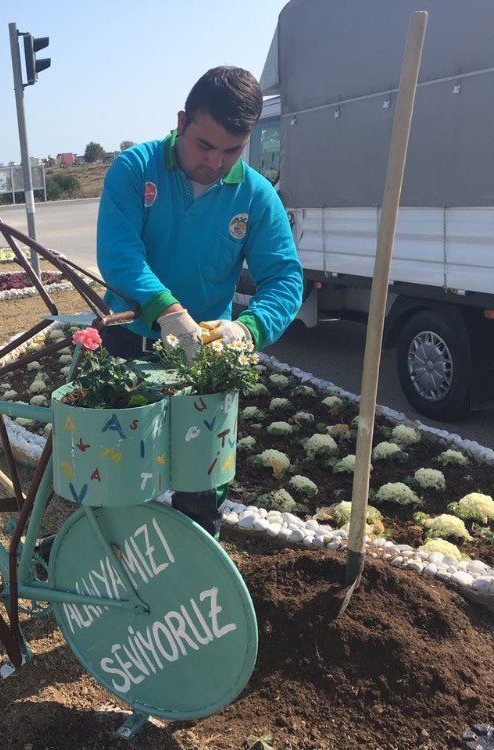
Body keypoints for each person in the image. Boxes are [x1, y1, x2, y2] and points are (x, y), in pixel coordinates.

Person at [96, 66, 304, 535]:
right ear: (181, 122)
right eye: (204, 145)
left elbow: (285, 279)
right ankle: (107, 566)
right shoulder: (135, 169)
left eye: (232, 150)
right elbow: (119, 255)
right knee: (123, 475)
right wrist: (168, 312)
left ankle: (184, 580)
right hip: (132, 344)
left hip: (207, 360)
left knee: (201, 488)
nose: (215, 161)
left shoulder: (255, 195)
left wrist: (247, 330)